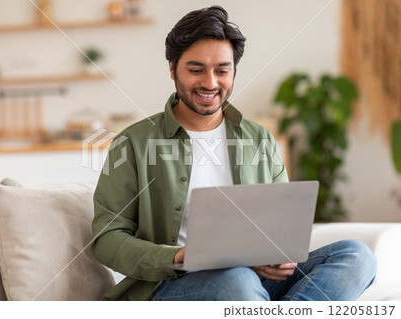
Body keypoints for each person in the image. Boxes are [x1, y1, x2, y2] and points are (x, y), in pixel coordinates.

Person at [91, 5, 376, 301]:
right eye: (196, 69)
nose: (210, 83)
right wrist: (177, 257)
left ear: (233, 72)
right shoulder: (133, 143)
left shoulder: (260, 139)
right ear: (173, 69)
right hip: (177, 285)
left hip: (255, 279)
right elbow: (107, 240)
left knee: (356, 256)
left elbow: (280, 230)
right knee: (236, 279)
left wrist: (281, 256)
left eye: (222, 70)